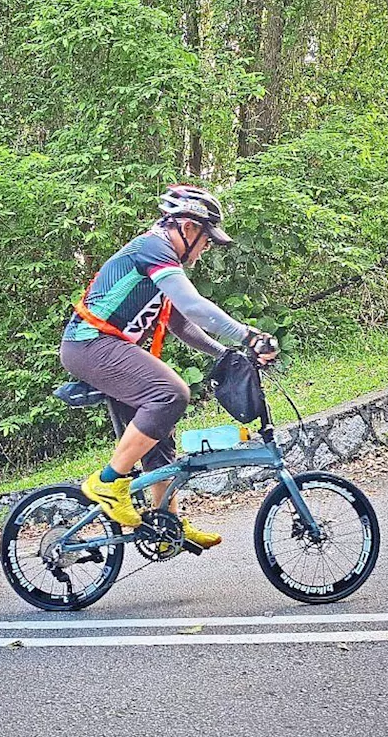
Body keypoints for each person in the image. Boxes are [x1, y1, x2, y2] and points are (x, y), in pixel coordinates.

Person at [61, 184, 278, 547]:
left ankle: (166, 526)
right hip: (89, 345)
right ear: (188, 227)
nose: (208, 246)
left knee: (158, 436)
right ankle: (109, 481)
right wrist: (246, 335)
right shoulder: (153, 247)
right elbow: (193, 305)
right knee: (171, 392)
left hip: (106, 347)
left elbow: (180, 323)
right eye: (207, 237)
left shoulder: (165, 263)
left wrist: (222, 352)